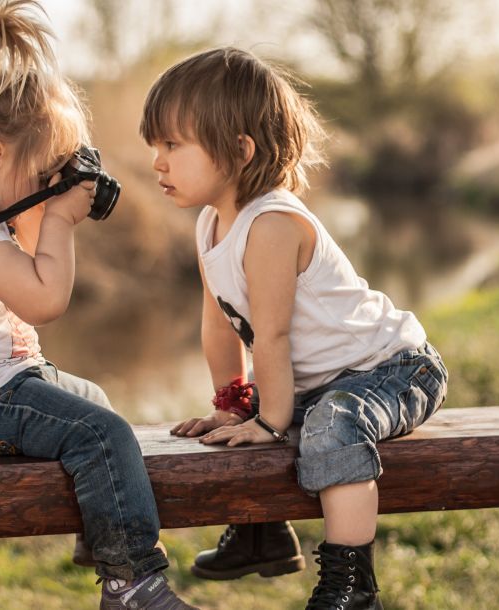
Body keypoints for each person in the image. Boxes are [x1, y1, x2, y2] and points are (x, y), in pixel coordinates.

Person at [0, 2, 196, 608]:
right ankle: (130, 583)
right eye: (40, 174)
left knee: (96, 405)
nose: (45, 187)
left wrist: (43, 199)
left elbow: (23, 263)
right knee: (104, 433)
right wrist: (61, 216)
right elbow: (45, 299)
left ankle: (99, 535)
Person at [141, 47, 448, 610]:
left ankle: (352, 587)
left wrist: (271, 418)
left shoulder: (274, 224)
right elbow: (219, 327)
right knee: (242, 422)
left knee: (328, 425)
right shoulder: (211, 224)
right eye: (154, 145)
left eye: (172, 145)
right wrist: (234, 402)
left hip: (391, 369)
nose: (156, 161)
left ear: (239, 150)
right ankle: (263, 534)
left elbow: (273, 336)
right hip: (325, 378)